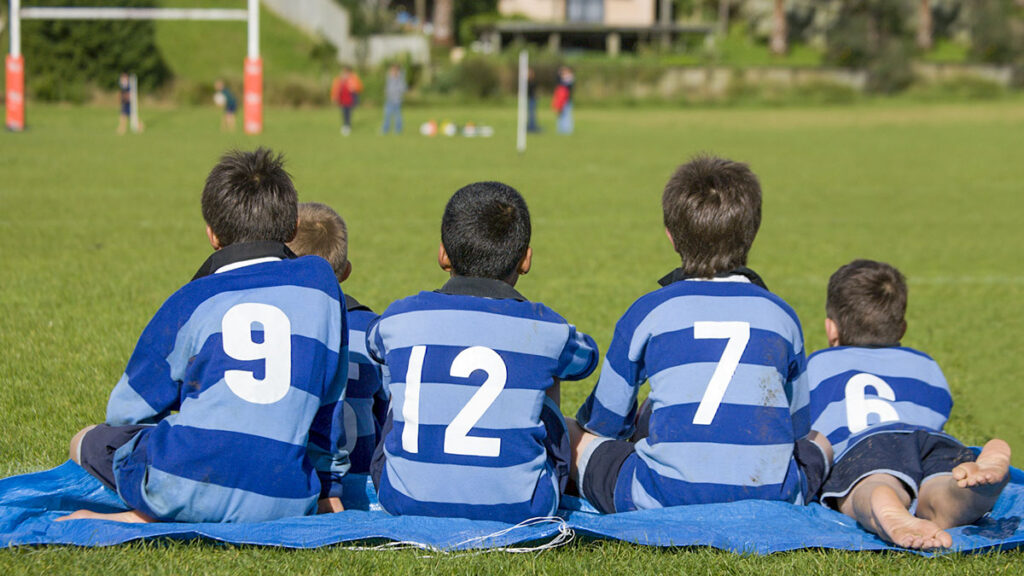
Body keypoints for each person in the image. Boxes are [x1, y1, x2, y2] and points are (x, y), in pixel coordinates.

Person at [58, 148, 351, 523]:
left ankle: (140, 515)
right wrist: (330, 487)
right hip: (288, 497)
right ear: (293, 228)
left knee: (85, 439)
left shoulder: (191, 298)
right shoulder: (322, 285)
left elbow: (125, 410)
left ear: (212, 235)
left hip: (180, 483)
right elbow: (331, 401)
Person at [570, 155, 832, 514]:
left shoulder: (649, 311)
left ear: (671, 237)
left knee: (574, 434)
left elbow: (605, 422)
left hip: (660, 498)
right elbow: (798, 427)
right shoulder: (781, 315)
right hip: (769, 496)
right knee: (823, 442)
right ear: (752, 232)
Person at [367, 181, 600, 522]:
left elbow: (374, 344)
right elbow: (586, 359)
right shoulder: (547, 328)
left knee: (401, 373)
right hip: (524, 508)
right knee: (546, 371)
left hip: (403, 498)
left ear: (443, 254)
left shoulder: (402, 316)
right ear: (525, 260)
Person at [808, 259, 1011, 549]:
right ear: (901, 328)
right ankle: (964, 495)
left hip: (864, 446)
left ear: (831, 329)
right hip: (931, 441)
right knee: (939, 495)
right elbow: (939, 409)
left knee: (872, 482)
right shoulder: (925, 364)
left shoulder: (818, 364)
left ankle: (884, 502)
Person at [287, 202, 387, 473]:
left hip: (296, 479)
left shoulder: (278, 332)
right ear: (346, 271)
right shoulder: (374, 331)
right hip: (364, 480)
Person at [331, 66, 363, 136]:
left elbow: (359, 87)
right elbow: (335, 89)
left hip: (350, 100)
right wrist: (334, 97)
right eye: (343, 72)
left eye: (345, 72)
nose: (344, 73)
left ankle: (348, 126)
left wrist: (354, 89)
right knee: (343, 113)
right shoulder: (339, 80)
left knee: (348, 114)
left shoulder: (353, 79)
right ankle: (344, 125)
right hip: (342, 100)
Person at [381, 64, 407, 134]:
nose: (391, 72)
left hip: (397, 100)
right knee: (387, 116)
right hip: (389, 100)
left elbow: (403, 89)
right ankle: (385, 130)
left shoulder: (400, 79)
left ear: (397, 71)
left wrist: (397, 93)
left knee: (398, 116)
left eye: (393, 70)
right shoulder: (390, 78)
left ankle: (398, 130)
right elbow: (387, 88)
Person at [554, 66, 574, 135]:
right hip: (560, 100)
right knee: (560, 115)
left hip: (566, 100)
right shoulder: (561, 79)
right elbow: (558, 81)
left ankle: (567, 130)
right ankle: (561, 130)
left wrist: (562, 76)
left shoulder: (570, 79)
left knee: (567, 116)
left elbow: (565, 85)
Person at [527, 68, 540, 133]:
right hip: (528, 99)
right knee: (530, 114)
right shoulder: (526, 82)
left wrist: (536, 95)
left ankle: (532, 126)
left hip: (532, 99)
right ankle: (530, 127)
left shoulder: (533, 81)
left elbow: (534, 91)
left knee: (532, 114)